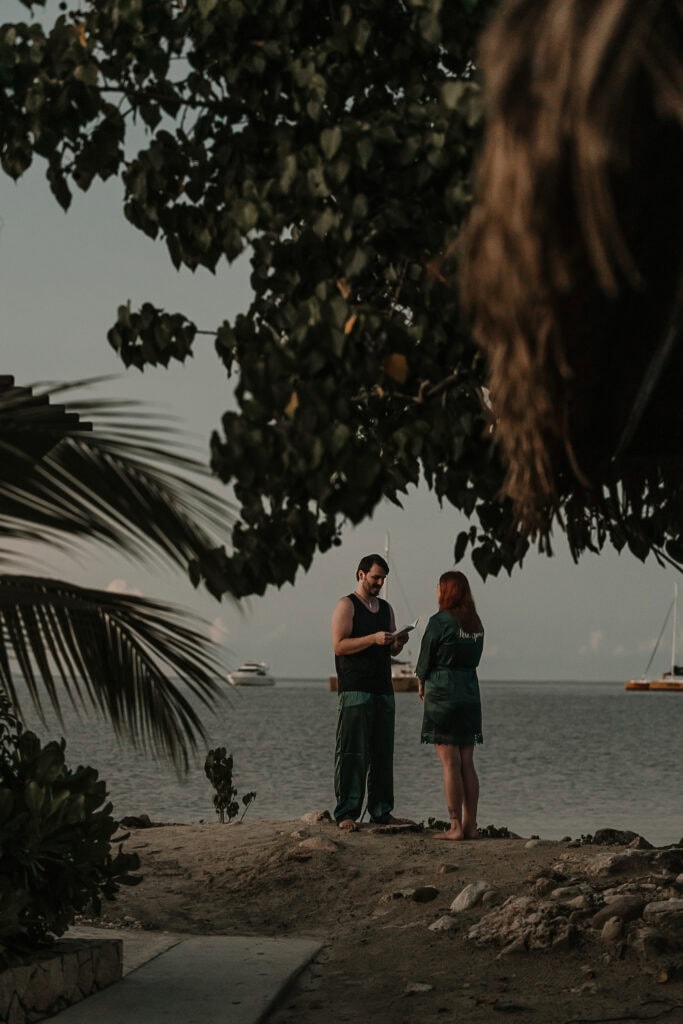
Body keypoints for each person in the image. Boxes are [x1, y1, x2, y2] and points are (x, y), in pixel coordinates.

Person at [331, 553, 411, 831]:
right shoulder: (347, 605)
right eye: (376, 577)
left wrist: (397, 643)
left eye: (383, 578)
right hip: (355, 689)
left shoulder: (386, 608)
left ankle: (381, 811)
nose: (379, 582)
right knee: (352, 753)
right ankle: (346, 813)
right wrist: (373, 639)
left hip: (383, 689)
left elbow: (389, 648)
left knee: (382, 754)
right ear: (361, 574)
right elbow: (339, 646)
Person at [415, 570, 484, 841]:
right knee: (467, 760)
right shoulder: (475, 623)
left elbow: (425, 658)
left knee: (449, 763)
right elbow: (476, 658)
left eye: (439, 587)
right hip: (469, 690)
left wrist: (421, 681)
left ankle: (454, 826)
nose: (436, 591)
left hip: (443, 691)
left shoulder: (439, 621)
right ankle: (472, 826)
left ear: (447, 591)